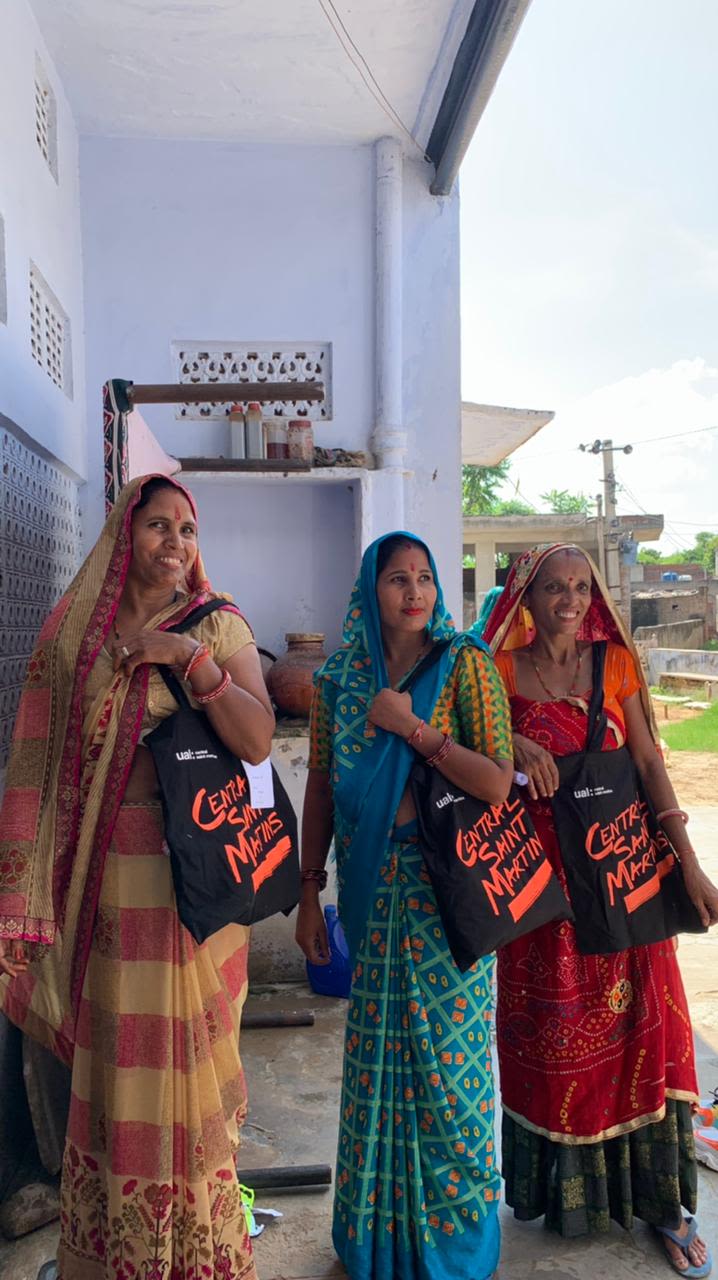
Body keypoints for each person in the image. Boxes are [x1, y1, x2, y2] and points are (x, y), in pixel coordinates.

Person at [0, 474, 274, 1280]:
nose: (176, 543)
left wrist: (185, 658)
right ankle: (114, 1253)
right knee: (119, 1064)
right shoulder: (76, 634)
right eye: (158, 526)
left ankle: (193, 1250)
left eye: (187, 530)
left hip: (191, 879)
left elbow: (257, 741)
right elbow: (42, 760)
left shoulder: (217, 624)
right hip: (105, 879)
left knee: (189, 1062)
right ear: (125, 535)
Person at [483, 543, 717, 1278]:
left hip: (624, 881)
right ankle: (568, 1198)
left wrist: (689, 859)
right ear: (526, 596)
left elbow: (649, 763)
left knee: (650, 1032)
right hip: (543, 900)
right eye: (555, 587)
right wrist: (513, 740)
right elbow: (470, 749)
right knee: (554, 1043)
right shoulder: (499, 673)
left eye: (581, 588)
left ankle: (662, 1206)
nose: (570, 601)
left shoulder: (613, 666)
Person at [295, 531, 514, 1280]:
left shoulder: (466, 666)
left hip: (445, 897)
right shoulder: (335, 684)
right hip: (369, 889)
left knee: (450, 1077)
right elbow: (320, 789)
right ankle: (375, 1243)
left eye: (424, 578)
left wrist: (413, 729)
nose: (415, 591)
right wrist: (307, 891)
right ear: (371, 591)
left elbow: (494, 781)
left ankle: (452, 1248)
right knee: (376, 1068)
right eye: (397, 579)